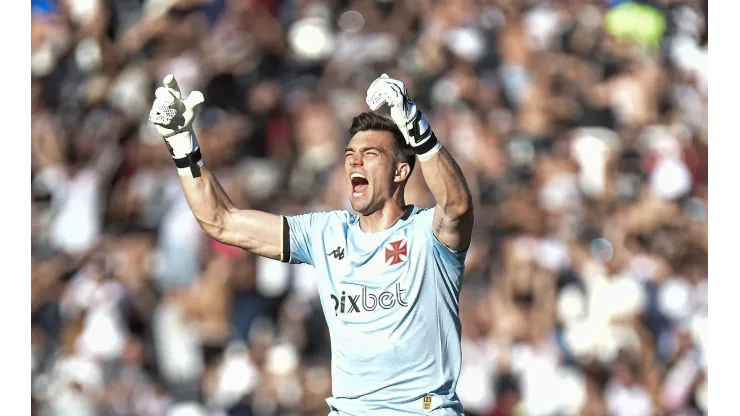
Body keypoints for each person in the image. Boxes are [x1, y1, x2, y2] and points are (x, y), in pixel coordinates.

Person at [148, 73, 474, 415]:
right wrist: (183, 145)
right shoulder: (326, 232)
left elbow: (458, 206)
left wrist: (415, 126)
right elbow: (222, 221)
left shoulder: (426, 234)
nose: (354, 162)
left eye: (370, 153)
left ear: (400, 172)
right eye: (350, 154)